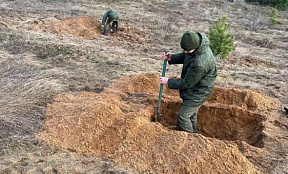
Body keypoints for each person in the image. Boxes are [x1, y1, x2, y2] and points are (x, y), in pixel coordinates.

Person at [159, 31, 218, 133]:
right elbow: (186, 55)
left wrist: (168, 81)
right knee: (191, 114)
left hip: (199, 92)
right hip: (195, 87)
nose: (185, 52)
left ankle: (190, 140)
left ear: (195, 47)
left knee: (183, 116)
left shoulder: (200, 63)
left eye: (188, 50)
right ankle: (193, 133)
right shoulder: (197, 45)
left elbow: (186, 83)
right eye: (184, 50)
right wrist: (171, 58)